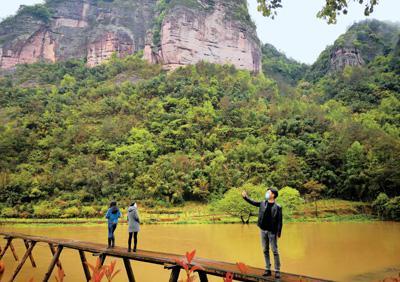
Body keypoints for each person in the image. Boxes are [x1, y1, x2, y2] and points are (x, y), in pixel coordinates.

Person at [242, 187, 282, 279]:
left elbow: (280, 221)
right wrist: (245, 197)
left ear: (273, 195)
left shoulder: (278, 207)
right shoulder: (263, 203)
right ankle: (267, 269)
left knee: (275, 251)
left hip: (272, 231)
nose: (267, 193)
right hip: (263, 230)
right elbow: (253, 202)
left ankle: (277, 271)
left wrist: (279, 232)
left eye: (268, 192)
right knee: (265, 250)